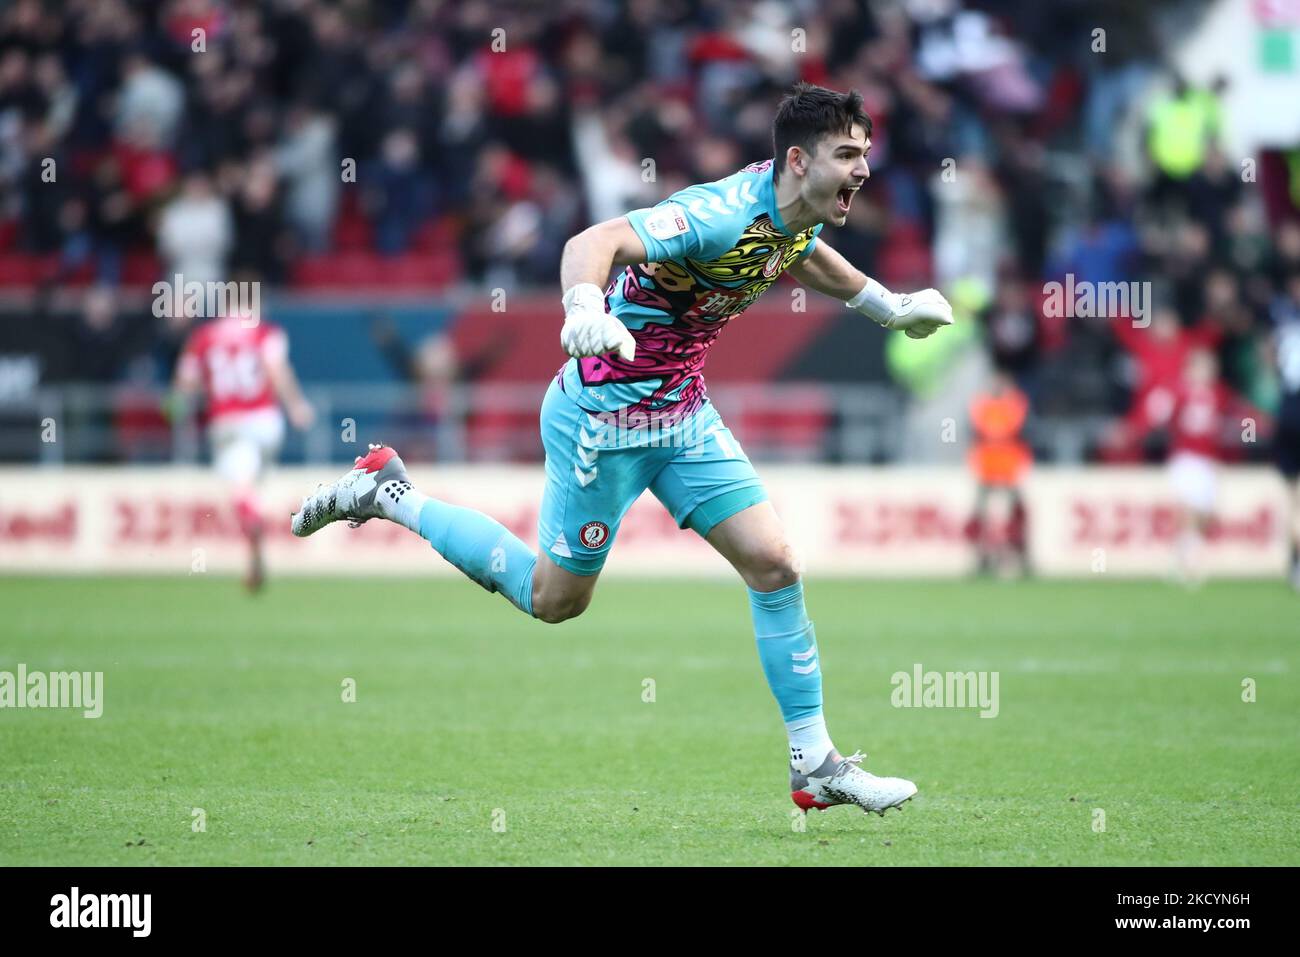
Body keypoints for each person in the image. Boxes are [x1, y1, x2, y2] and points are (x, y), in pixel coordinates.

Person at [290, 83, 953, 815]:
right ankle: (391, 494)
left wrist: (886, 306)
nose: (864, 168)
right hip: (602, 421)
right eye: (848, 154)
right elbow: (591, 242)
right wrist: (585, 305)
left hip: (683, 414)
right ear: (797, 159)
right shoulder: (716, 212)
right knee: (554, 600)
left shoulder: (793, 212)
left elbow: (799, 254)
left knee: (775, 563)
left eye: (865, 152)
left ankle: (815, 762)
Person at [174, 308, 314, 591]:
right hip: (267, 423)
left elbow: (186, 383)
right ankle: (254, 554)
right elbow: (277, 370)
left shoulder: (203, 337)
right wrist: (297, 406)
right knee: (255, 481)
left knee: (241, 488)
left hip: (229, 423)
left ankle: (251, 518)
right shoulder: (266, 332)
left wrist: (179, 407)